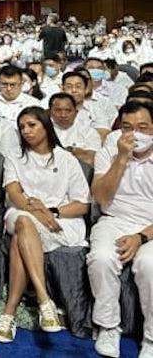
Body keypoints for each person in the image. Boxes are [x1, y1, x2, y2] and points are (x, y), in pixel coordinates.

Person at [0, 107, 90, 343]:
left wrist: (52, 212)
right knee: (23, 220)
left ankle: (9, 312)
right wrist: (39, 212)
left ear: (46, 126)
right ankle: (44, 298)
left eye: (32, 125)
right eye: (22, 127)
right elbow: (15, 194)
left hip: (61, 220)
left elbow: (82, 204)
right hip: (22, 212)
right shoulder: (15, 156)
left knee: (20, 237)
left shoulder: (66, 159)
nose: (26, 131)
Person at [87, 102, 153, 358]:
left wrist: (140, 237)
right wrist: (122, 158)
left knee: (149, 264)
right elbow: (101, 197)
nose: (134, 134)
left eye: (142, 127)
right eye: (127, 127)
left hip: (150, 226)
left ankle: (150, 338)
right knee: (101, 258)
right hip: (114, 220)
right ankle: (108, 326)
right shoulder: (110, 149)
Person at [49, 91, 101, 167]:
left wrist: (66, 151)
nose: (63, 115)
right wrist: (77, 152)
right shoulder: (42, 131)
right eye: (58, 110)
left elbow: (90, 160)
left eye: (68, 110)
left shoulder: (89, 132)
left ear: (76, 112)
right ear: (50, 112)